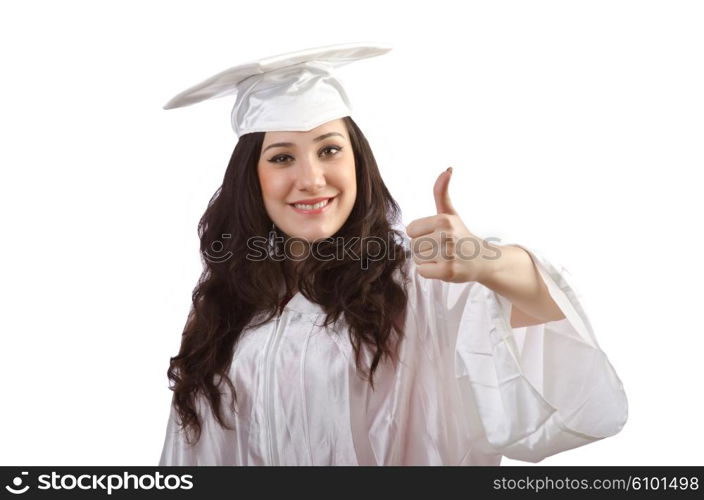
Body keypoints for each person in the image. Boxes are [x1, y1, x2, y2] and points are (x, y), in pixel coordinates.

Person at [158, 42, 628, 466]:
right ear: (251, 179)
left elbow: (556, 403)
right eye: (282, 157)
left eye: (329, 150)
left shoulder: (420, 281)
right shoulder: (228, 305)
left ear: (358, 163)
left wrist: (489, 264)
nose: (312, 178)